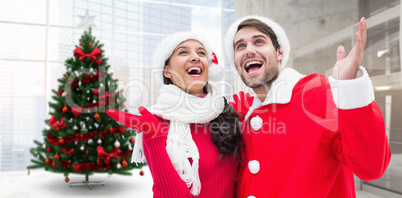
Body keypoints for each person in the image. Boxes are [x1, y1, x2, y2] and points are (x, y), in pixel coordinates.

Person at [225, 15, 391, 197]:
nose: (249, 50)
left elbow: (371, 167)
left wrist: (349, 88)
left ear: (279, 53)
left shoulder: (317, 93)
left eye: (258, 42)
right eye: (240, 46)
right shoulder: (246, 113)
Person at [106, 32, 242, 197]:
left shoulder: (226, 114)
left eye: (201, 53)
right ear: (167, 71)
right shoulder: (155, 122)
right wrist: (153, 138)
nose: (195, 57)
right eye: (183, 52)